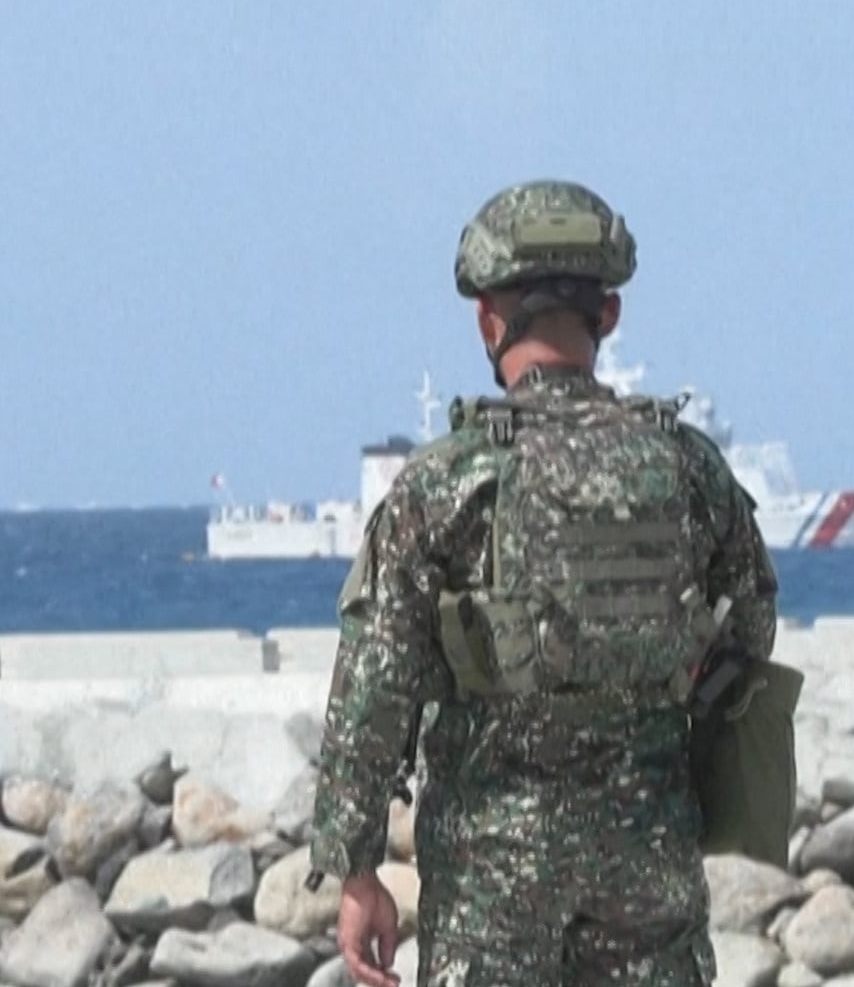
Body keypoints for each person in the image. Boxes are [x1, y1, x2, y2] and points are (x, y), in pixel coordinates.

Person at [305, 181, 779, 987]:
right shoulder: (689, 470)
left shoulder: (448, 482)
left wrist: (355, 868)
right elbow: (751, 631)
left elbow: (376, 684)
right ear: (609, 318)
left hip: (494, 888)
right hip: (646, 863)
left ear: (488, 318)